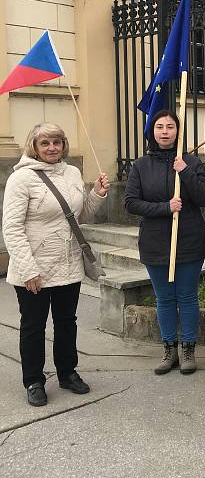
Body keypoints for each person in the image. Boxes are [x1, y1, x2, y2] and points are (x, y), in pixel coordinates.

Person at [2, 123, 109, 406]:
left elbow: (79, 215)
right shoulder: (21, 179)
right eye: (45, 143)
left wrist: (96, 194)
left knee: (66, 322)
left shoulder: (72, 172)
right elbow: (11, 228)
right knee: (34, 325)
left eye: (57, 143)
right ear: (34, 146)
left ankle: (67, 372)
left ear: (64, 145)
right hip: (34, 267)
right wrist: (28, 270)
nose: (52, 148)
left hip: (68, 262)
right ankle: (34, 380)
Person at [124, 110, 205, 375]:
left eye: (170, 126)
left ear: (178, 130)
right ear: (152, 132)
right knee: (164, 298)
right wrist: (166, 207)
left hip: (188, 240)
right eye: (160, 127)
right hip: (155, 242)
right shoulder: (140, 166)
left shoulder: (192, 162)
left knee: (187, 296)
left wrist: (184, 171)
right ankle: (169, 349)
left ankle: (187, 349)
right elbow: (130, 202)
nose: (165, 132)